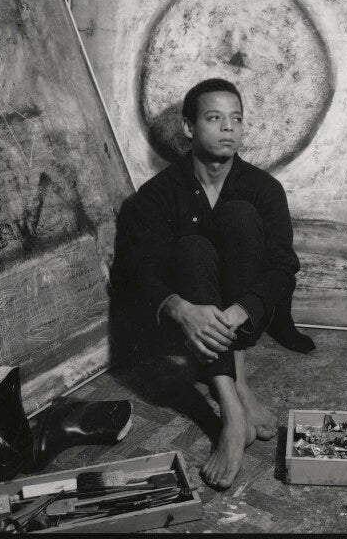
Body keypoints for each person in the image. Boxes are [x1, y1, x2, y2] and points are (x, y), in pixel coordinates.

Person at [112, 78, 314, 489]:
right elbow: (139, 269)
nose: (228, 128)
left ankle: (239, 381)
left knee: (239, 216)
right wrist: (180, 308)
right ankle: (232, 411)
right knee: (191, 247)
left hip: (245, 314)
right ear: (188, 127)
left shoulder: (264, 189)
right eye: (214, 118)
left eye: (236, 119)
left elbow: (282, 266)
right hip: (190, 321)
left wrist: (243, 309)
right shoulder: (157, 194)